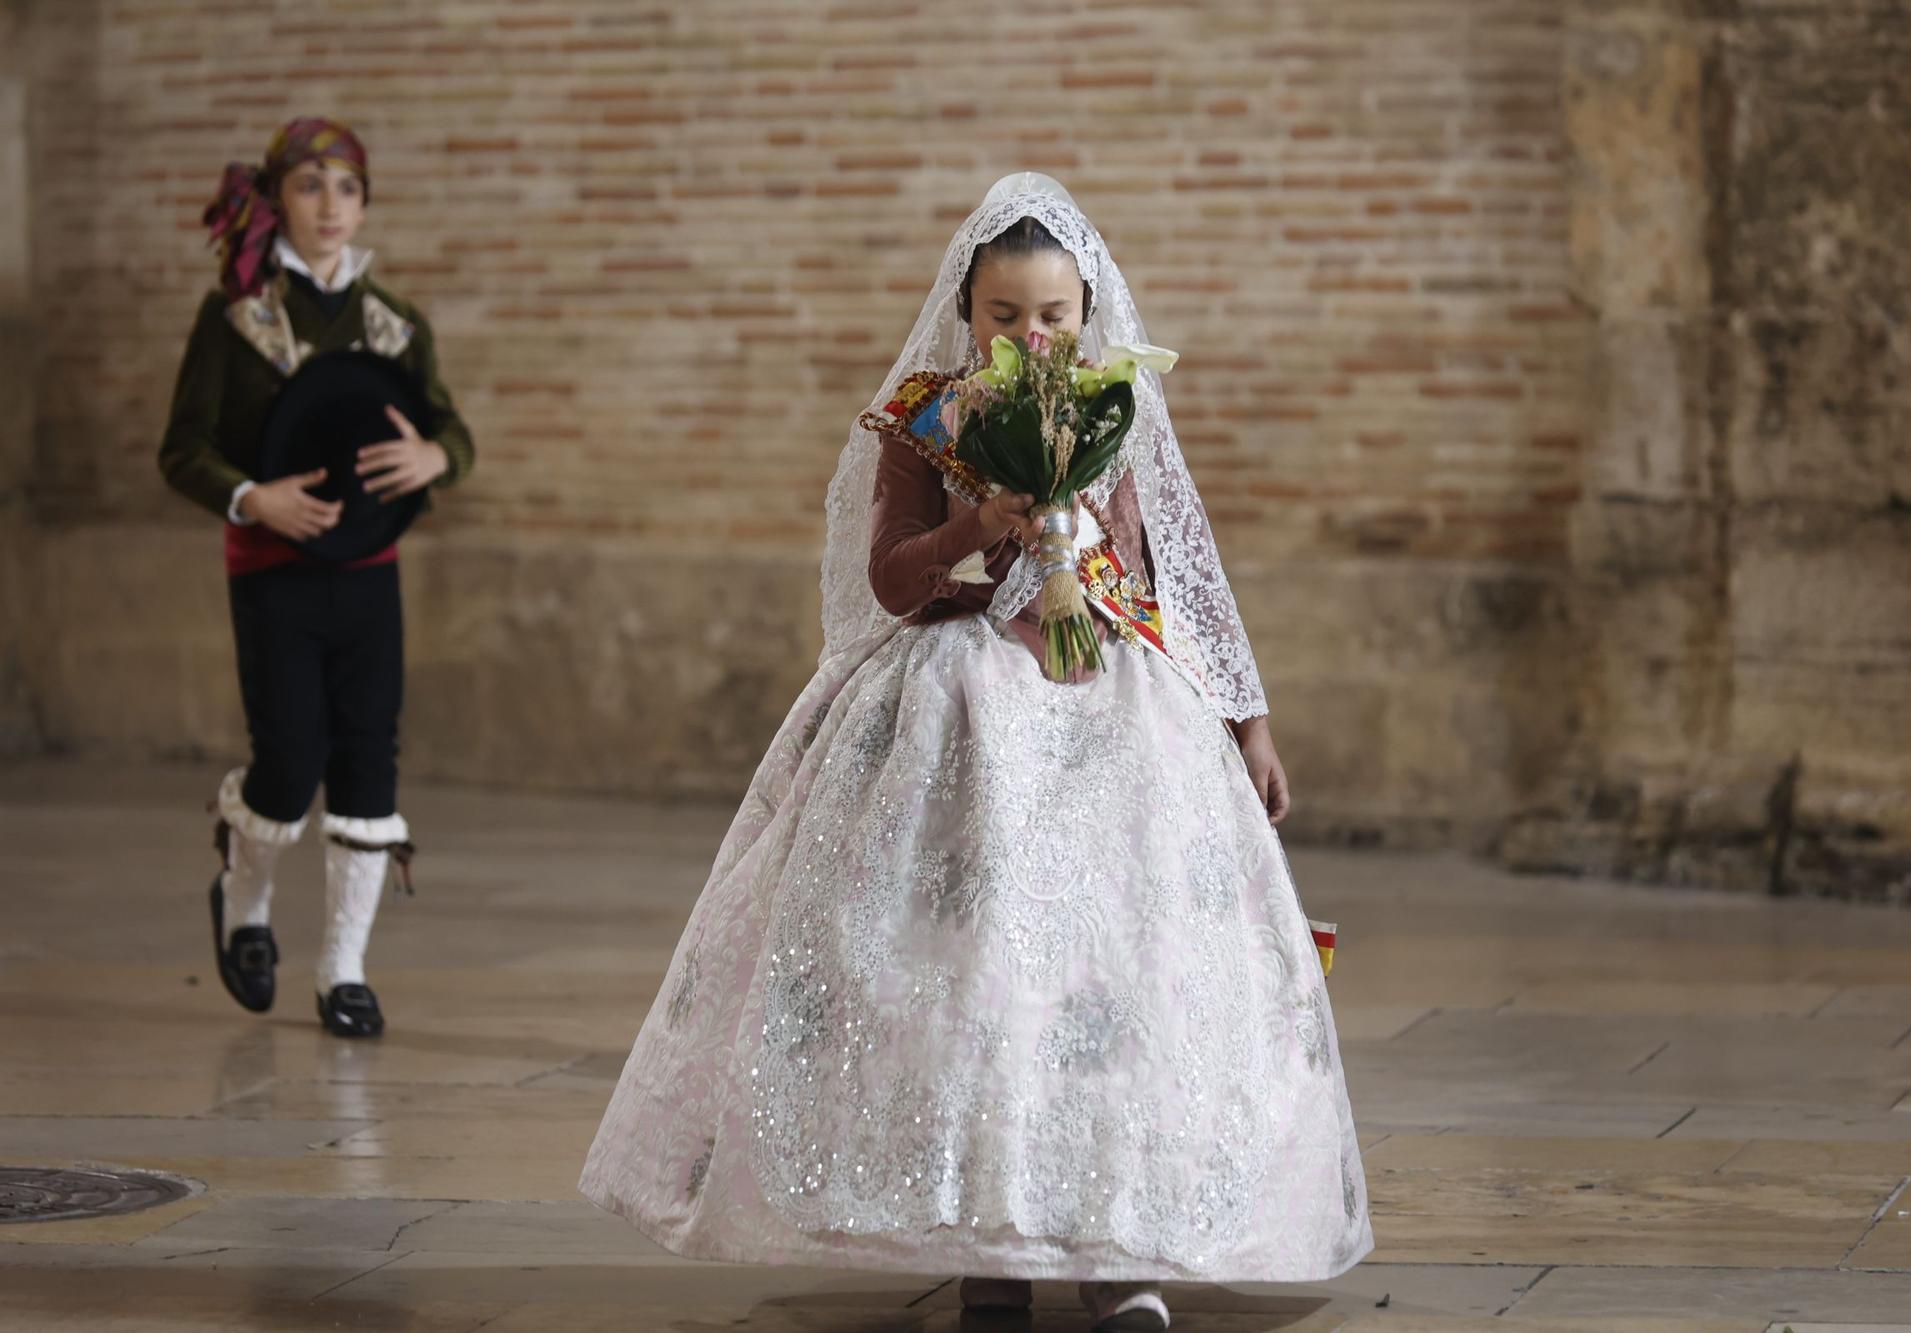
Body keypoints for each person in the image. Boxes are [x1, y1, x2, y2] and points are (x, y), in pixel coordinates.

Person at [579, 174, 1370, 1330]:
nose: (1029, 337)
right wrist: (978, 525)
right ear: (968, 310)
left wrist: (1241, 719)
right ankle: (987, 1255)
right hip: (960, 712)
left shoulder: (1112, 409)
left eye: (1051, 316)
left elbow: (1166, 584)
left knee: (1114, 977)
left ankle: (1118, 1255)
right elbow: (891, 579)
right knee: (978, 981)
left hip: (1113, 709)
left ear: (1083, 312)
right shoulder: (925, 417)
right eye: (1005, 316)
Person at [158, 117, 474, 1038]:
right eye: (309, 184)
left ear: (365, 204)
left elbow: (452, 431)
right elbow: (183, 449)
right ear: (275, 199)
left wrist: (434, 458)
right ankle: (243, 899)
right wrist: (251, 496)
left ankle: (343, 967)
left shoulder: (397, 324)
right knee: (289, 763)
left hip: (370, 575)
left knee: (370, 763)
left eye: (346, 187)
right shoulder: (234, 320)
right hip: (272, 573)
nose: (330, 205)